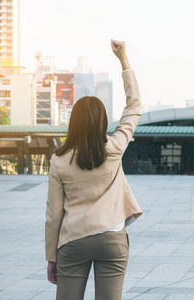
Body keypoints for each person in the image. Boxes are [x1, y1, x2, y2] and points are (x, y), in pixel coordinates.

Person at [45, 40, 142, 300]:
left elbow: (54, 215)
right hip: (111, 239)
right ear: (102, 123)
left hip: (73, 241)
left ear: (73, 123)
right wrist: (123, 58)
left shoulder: (59, 160)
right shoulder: (114, 148)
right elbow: (133, 108)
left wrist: (51, 257)